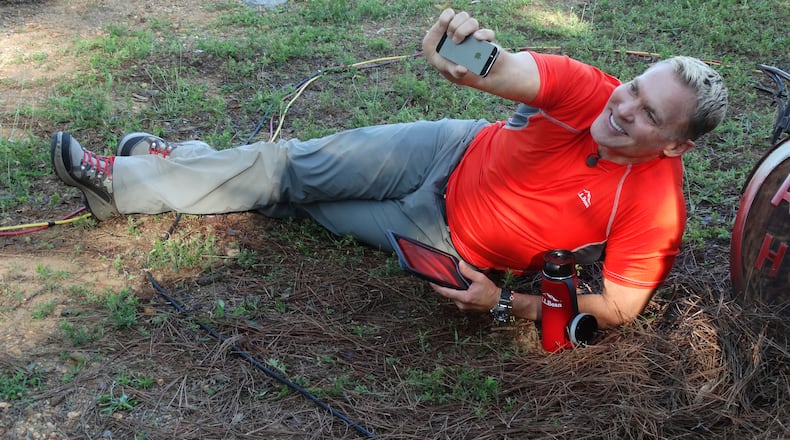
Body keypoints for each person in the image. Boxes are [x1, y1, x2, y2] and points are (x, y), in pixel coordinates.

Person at [50, 9, 728, 329]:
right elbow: (505, 69)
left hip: (442, 240)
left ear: (676, 147)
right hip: (448, 148)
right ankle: (122, 181)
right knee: (290, 165)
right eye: (634, 88)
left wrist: (503, 306)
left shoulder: (655, 207)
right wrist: (469, 48)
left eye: (648, 115)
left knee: (293, 199)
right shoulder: (589, 90)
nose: (623, 107)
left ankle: (180, 164)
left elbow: (615, 309)